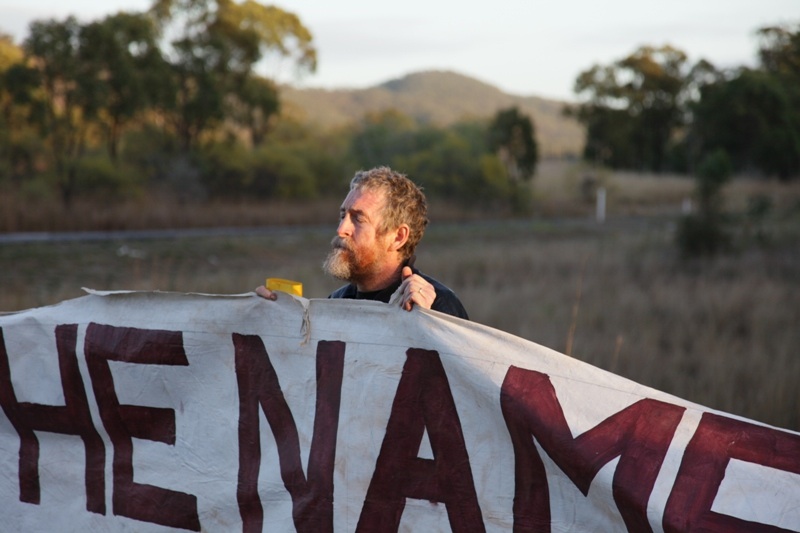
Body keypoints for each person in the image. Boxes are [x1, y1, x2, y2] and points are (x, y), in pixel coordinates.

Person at [256, 166, 468, 319]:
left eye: (358, 218)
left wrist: (429, 325)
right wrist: (272, 322)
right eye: (342, 215)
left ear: (398, 237)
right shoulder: (335, 304)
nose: (341, 229)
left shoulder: (437, 305)